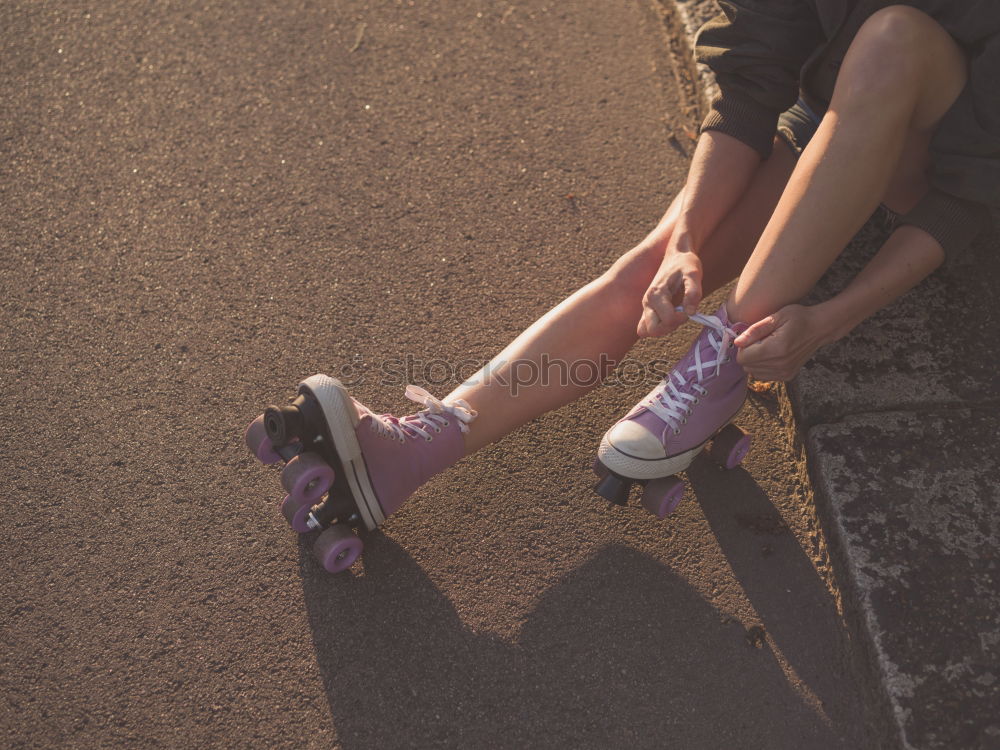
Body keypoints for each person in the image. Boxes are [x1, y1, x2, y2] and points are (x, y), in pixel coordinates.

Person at [248, 2, 999, 570]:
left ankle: (715, 371)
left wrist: (828, 321)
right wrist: (682, 245)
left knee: (894, 37)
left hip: (943, 163)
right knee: (653, 270)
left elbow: (970, 191)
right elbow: (750, 83)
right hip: (827, 121)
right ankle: (421, 447)